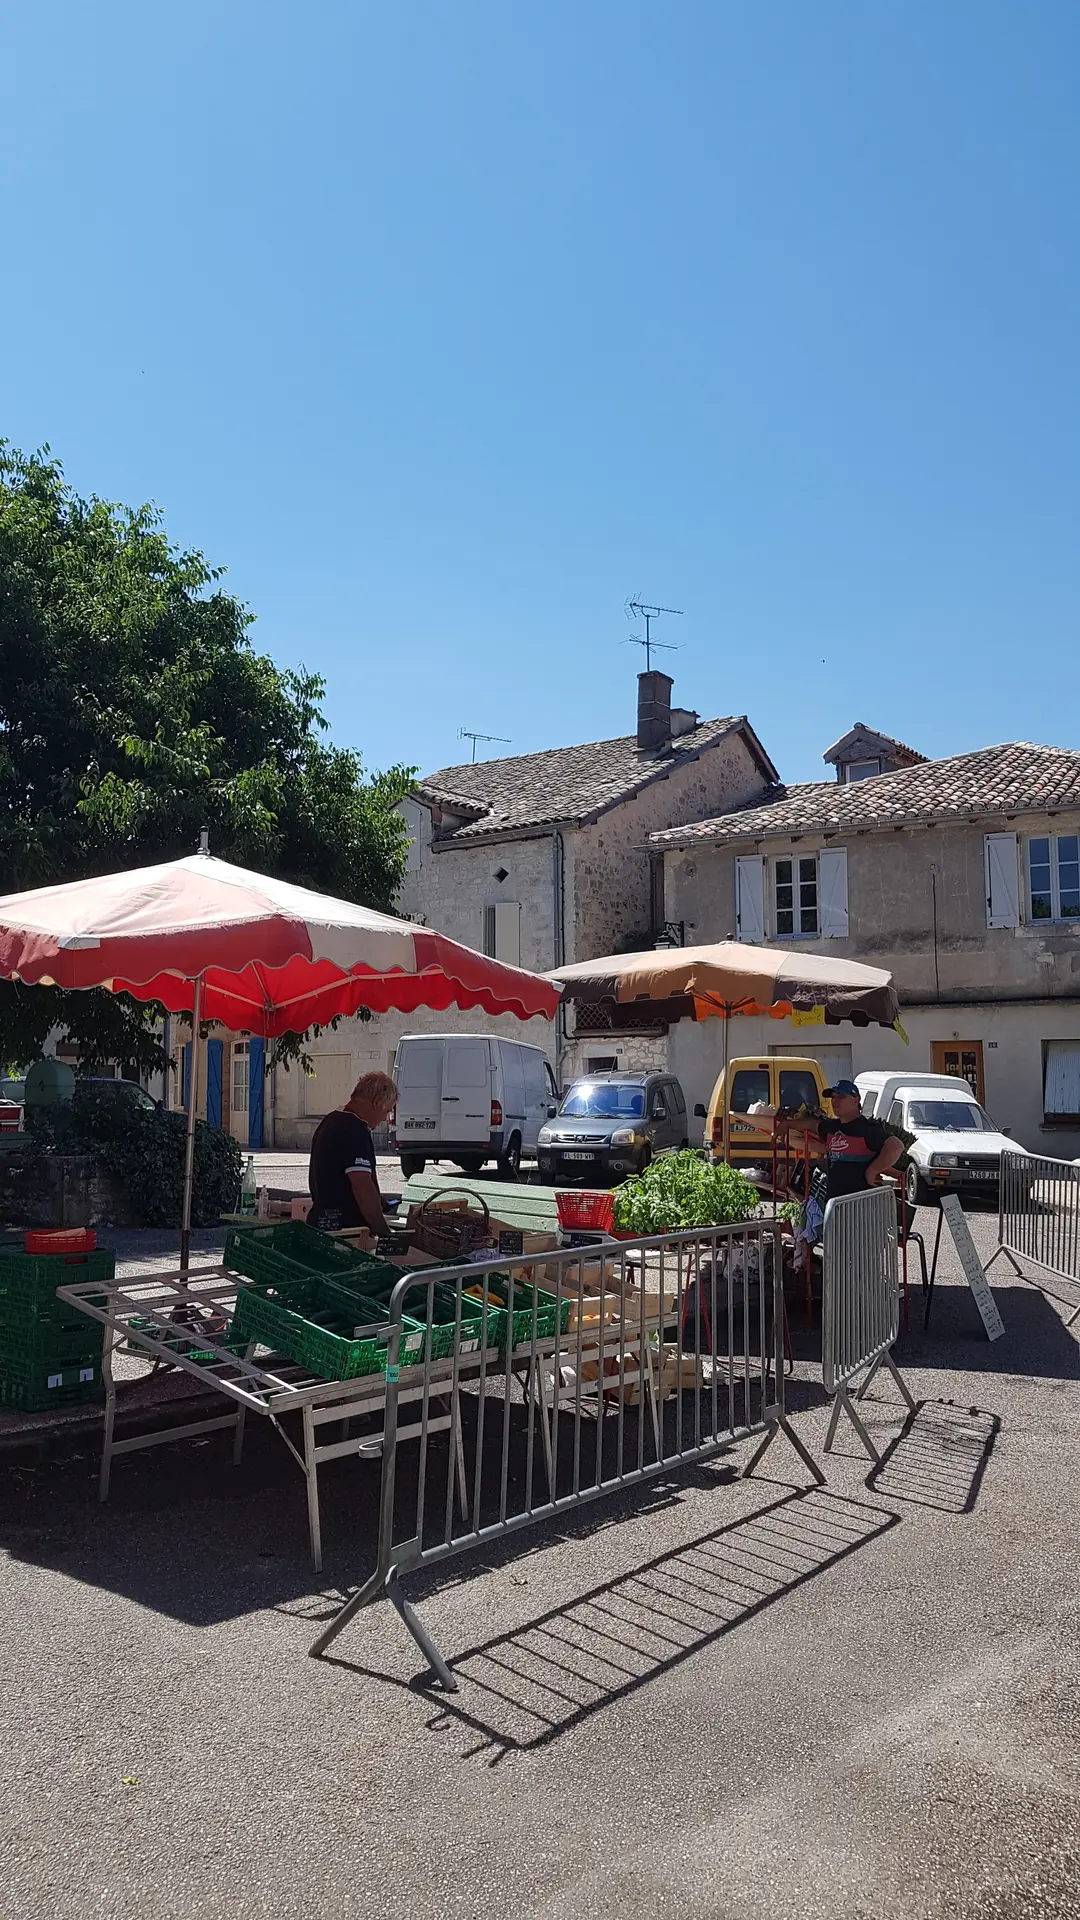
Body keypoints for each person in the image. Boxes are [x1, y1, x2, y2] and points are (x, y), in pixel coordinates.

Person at [307, 1071, 399, 1235]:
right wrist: (385, 1233)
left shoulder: (330, 1121)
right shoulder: (354, 1129)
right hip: (345, 1232)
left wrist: (379, 1201)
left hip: (322, 1224)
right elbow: (361, 1186)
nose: (385, 1119)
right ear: (377, 1102)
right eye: (387, 1111)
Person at [817, 1079, 904, 1200]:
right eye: (833, 1097)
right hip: (834, 1202)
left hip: (859, 1204)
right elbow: (810, 1125)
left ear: (856, 1100)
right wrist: (790, 1123)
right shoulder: (831, 1127)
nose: (835, 1101)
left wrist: (873, 1170)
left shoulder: (867, 1129)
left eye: (841, 1096)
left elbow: (896, 1146)